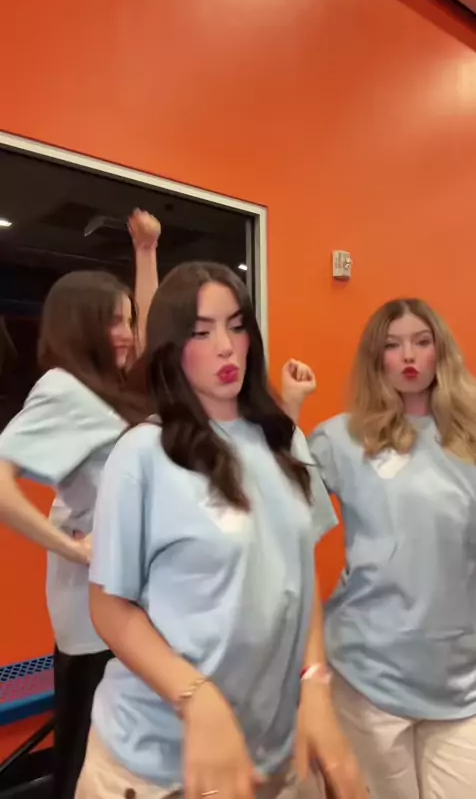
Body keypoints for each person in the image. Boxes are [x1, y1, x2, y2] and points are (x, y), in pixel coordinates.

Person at [76, 261, 368, 799]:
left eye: (236, 326)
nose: (226, 347)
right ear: (171, 348)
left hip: (267, 755)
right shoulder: (143, 453)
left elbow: (299, 579)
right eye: (201, 332)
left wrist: (315, 682)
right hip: (157, 765)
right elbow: (109, 606)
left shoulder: (284, 440)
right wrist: (195, 697)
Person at [284, 298, 476, 799]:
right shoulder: (342, 438)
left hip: (462, 683)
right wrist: (289, 412)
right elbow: (283, 511)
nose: (408, 356)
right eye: (393, 346)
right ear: (377, 359)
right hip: (368, 678)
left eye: (421, 342)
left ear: (441, 350)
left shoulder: (474, 437)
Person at [0, 209, 160, 799]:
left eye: (128, 320)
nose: (127, 333)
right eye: (113, 321)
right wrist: (75, 549)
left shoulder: (112, 389)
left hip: (129, 601)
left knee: (117, 751)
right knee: (87, 756)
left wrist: (146, 254)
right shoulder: (64, 388)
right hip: (94, 613)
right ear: (80, 324)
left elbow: (154, 342)